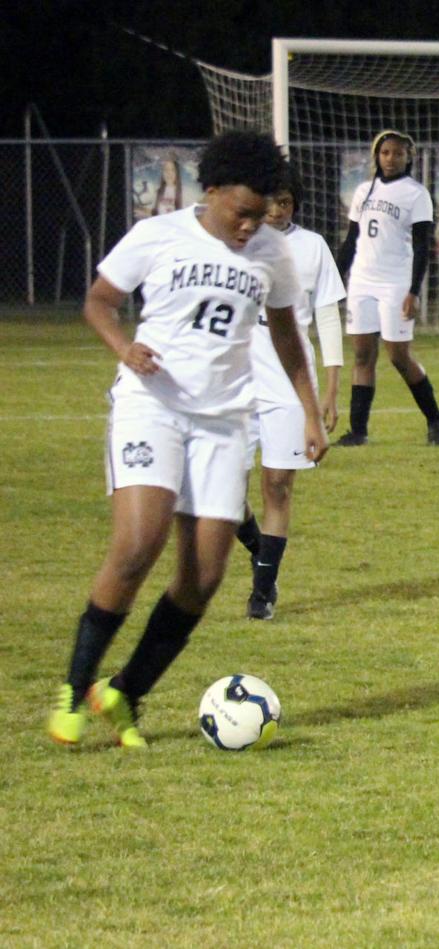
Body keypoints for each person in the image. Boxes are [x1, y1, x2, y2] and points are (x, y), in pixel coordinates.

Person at [46, 130, 328, 749]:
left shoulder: (272, 255)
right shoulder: (158, 235)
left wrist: (309, 413)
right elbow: (98, 302)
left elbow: (287, 337)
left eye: (262, 214)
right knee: (136, 546)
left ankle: (124, 694)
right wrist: (126, 347)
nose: (252, 226)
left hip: (226, 421)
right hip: (154, 406)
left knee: (203, 578)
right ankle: (73, 688)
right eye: (242, 212)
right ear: (214, 190)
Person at [237, 163, 345, 620]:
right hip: (236, 382)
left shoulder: (311, 247)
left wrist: (331, 392)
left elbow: (327, 318)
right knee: (221, 494)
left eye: (286, 202)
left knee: (277, 485)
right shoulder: (233, 244)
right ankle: (262, 549)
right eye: (272, 201)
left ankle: (262, 592)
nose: (279, 210)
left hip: (287, 383)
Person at [334, 130, 439, 447]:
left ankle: (436, 418)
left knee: (399, 356)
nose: (391, 158)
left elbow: (423, 246)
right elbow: (351, 240)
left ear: (409, 157)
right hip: (361, 280)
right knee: (362, 355)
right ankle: (358, 431)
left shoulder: (415, 194)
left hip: (395, 283)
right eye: (385, 152)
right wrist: (334, 278)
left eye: (398, 153)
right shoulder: (363, 191)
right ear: (376, 155)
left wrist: (413, 290)